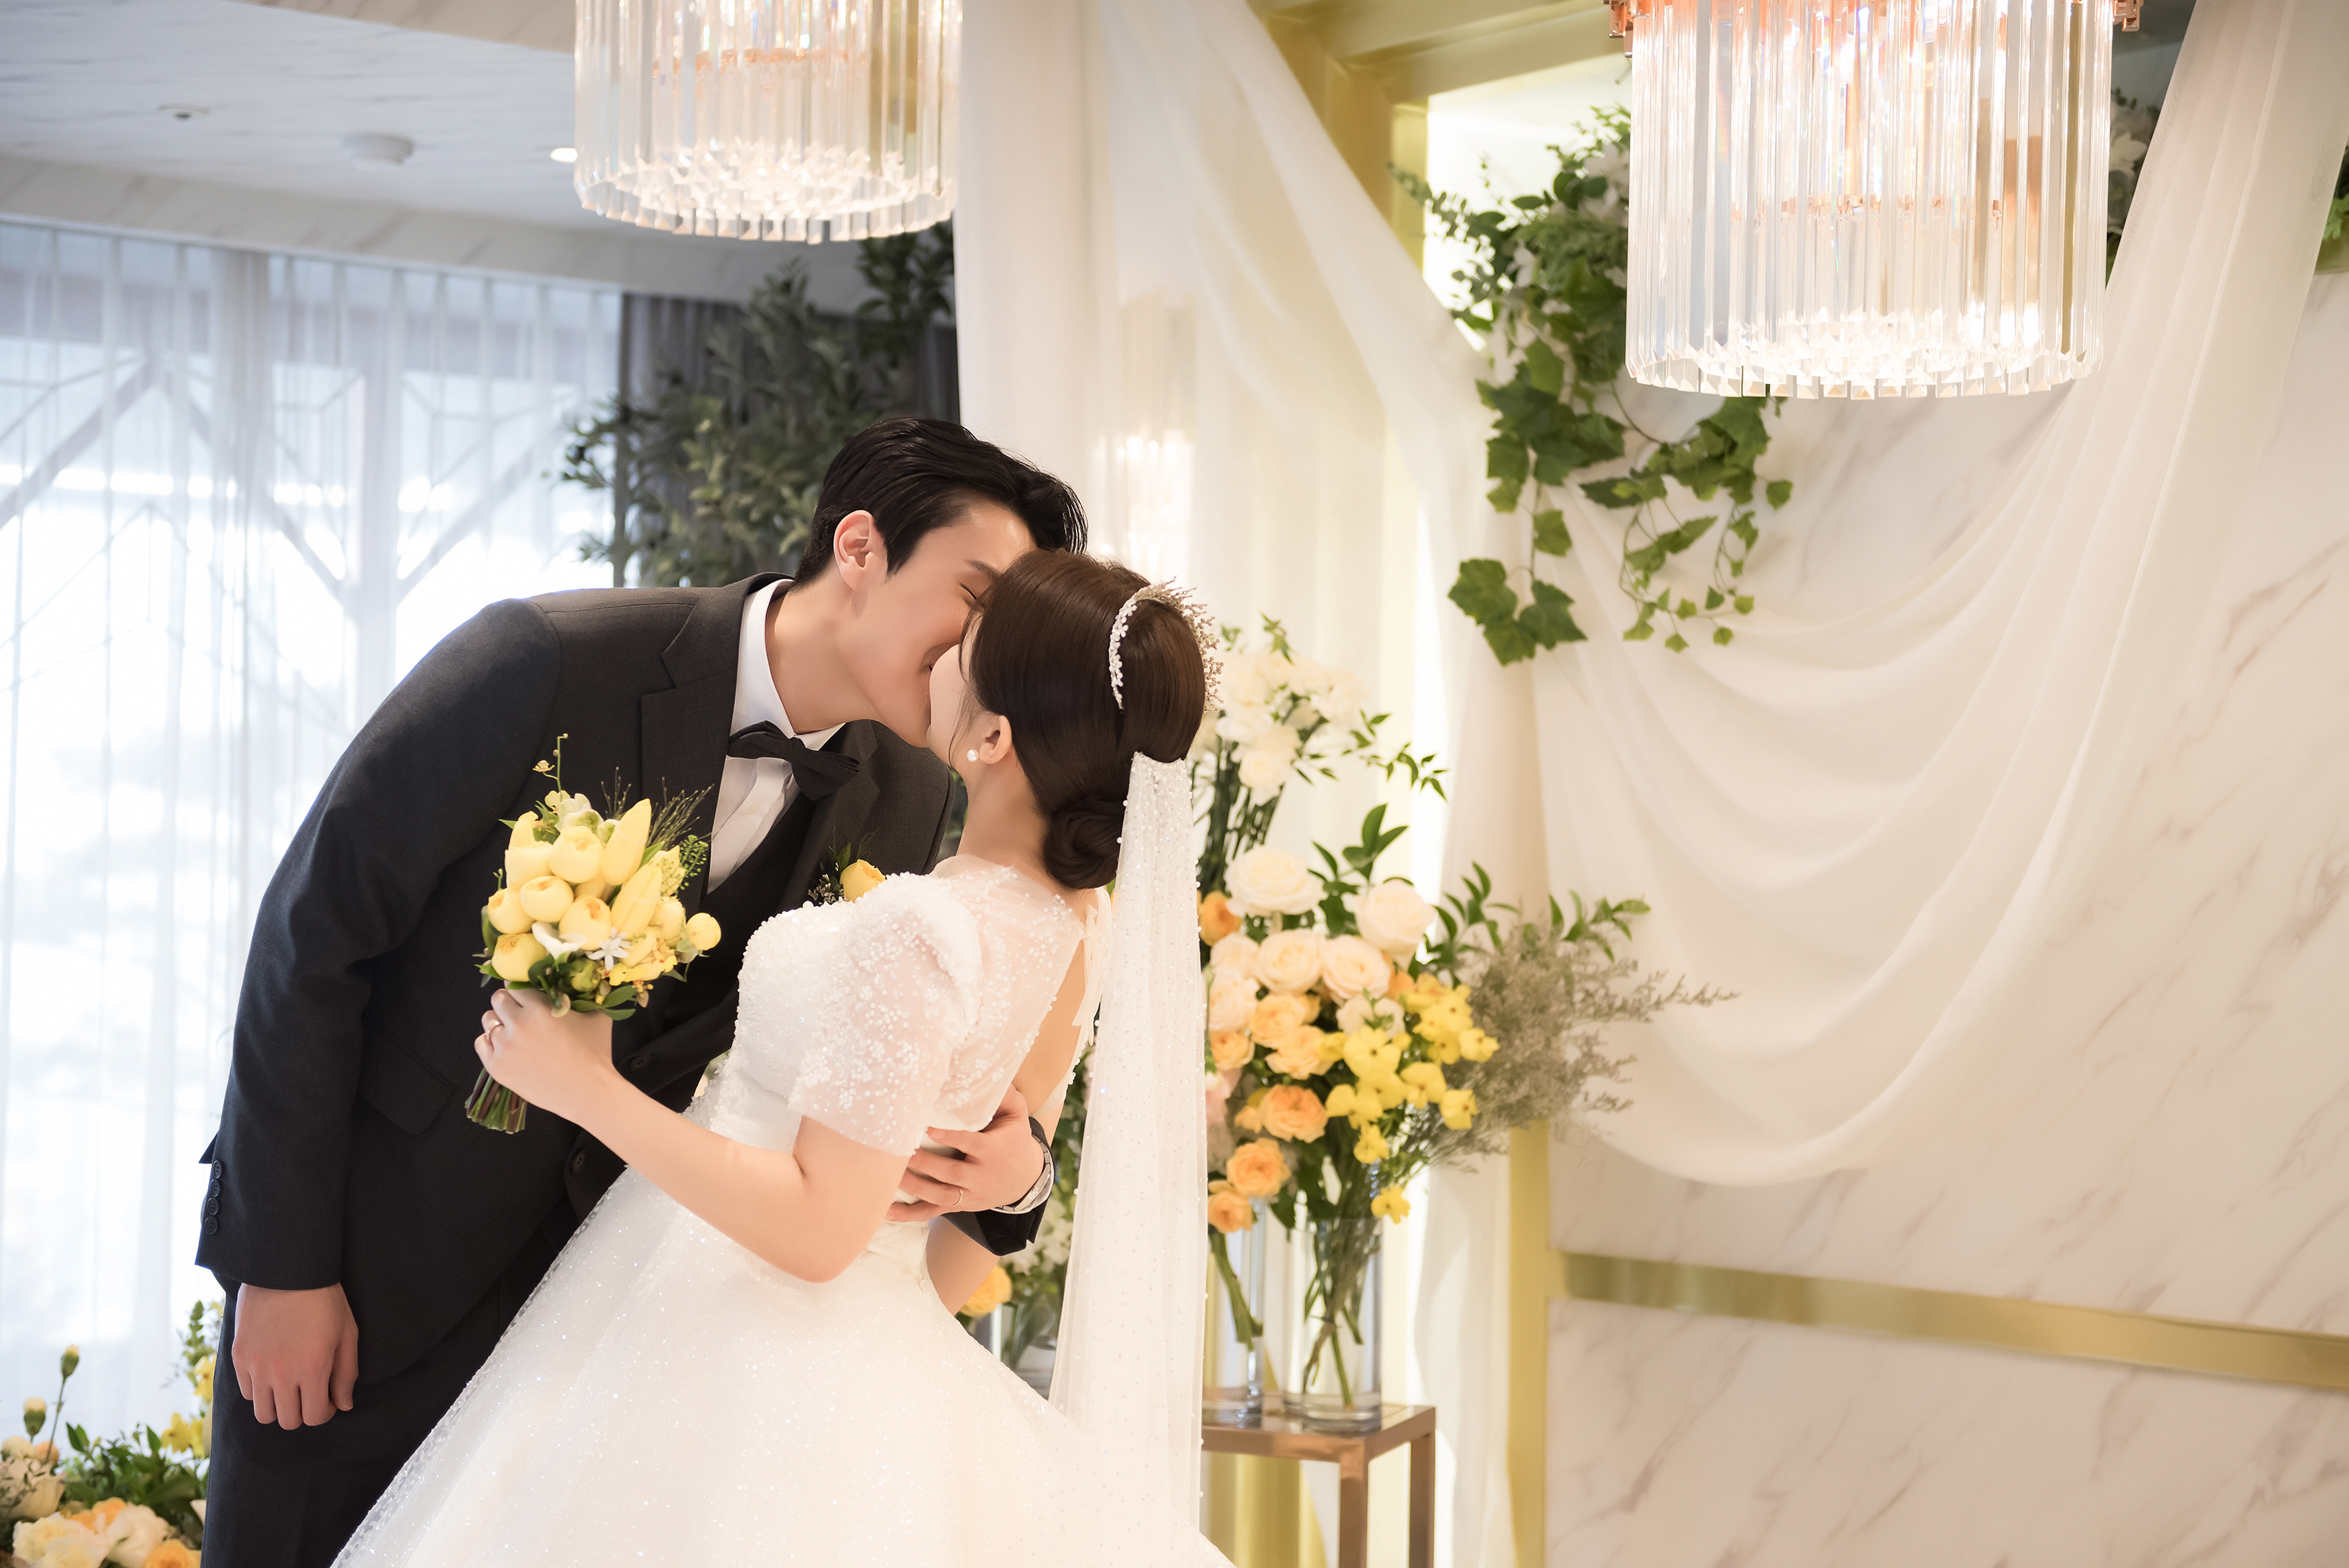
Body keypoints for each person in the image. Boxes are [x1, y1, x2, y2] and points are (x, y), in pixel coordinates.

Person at [197, 418, 1089, 1568]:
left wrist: (1019, 1183)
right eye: (973, 603)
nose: (982, 652)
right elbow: (313, 938)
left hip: (608, 1349)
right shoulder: (547, 659)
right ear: (861, 547)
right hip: (374, 1276)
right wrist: (283, 1263)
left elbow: (889, 1102)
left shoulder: (912, 800)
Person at [330, 551, 1225, 1566]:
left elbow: (818, 1230)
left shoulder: (924, 926)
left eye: (963, 646)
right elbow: (966, 1220)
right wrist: (902, 1322)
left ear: (992, 737)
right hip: (860, 1353)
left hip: (723, 1345)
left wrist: (587, 1089)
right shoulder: (1079, 923)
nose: (939, 648)